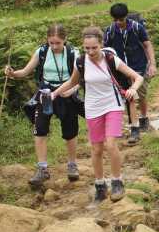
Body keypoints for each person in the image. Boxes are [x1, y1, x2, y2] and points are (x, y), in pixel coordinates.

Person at [51, 26, 143, 203]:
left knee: (110, 144)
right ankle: (100, 184)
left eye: (94, 47)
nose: (91, 51)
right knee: (96, 149)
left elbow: (137, 77)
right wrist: (54, 94)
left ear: (101, 44)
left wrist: (132, 89)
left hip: (113, 105)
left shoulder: (110, 59)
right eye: (87, 48)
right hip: (92, 108)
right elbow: (72, 81)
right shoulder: (80, 62)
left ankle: (117, 181)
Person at [4, 24, 81, 188]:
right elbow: (25, 71)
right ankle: (42, 168)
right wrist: (12, 73)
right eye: (51, 42)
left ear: (65, 40)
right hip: (45, 92)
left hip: (66, 91)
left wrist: (73, 90)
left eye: (58, 43)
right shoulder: (42, 51)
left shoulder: (74, 53)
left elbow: (79, 78)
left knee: (70, 130)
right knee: (40, 129)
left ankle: (72, 164)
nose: (54, 46)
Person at [104, 3, 157, 146]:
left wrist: (152, 64)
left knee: (142, 95)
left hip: (139, 66)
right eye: (116, 20)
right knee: (130, 97)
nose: (118, 23)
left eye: (121, 20)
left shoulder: (136, 27)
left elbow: (147, 44)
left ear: (126, 17)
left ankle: (144, 118)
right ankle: (134, 128)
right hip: (121, 69)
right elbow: (106, 51)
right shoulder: (110, 31)